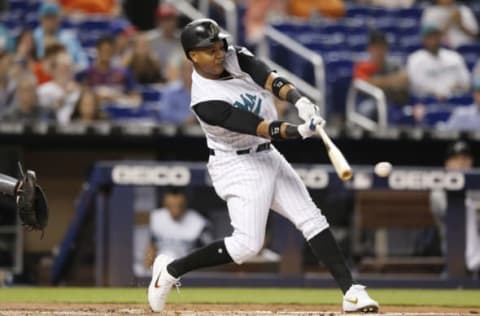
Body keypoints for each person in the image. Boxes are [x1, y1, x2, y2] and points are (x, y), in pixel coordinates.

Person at [147, 18, 379, 313]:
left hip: (267, 155)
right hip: (236, 165)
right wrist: (299, 130)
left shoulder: (233, 55)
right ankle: (170, 271)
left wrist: (300, 100)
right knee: (246, 245)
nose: (219, 52)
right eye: (210, 49)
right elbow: (259, 126)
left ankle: (351, 291)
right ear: (193, 55)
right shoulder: (205, 101)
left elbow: (269, 79)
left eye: (220, 45)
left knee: (312, 219)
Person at [429, 141, 480, 272]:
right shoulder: (439, 188)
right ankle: (473, 262)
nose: (461, 162)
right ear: (447, 163)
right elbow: (446, 213)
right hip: (454, 252)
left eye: (465, 158)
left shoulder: (477, 187)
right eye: (456, 159)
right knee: (466, 207)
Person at [145, 188, 213, 266]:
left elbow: (208, 256)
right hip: (160, 267)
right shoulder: (156, 218)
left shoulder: (199, 223)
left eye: (179, 206)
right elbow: (150, 248)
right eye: (171, 206)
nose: (175, 210)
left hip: (187, 269)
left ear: (185, 204)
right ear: (165, 204)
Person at [353, 30, 409, 118]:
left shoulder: (393, 64)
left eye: (382, 46)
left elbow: (404, 80)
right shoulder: (363, 66)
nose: (379, 51)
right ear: (370, 49)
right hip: (369, 100)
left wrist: (378, 81)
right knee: (367, 109)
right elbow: (363, 84)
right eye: (376, 47)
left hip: (391, 101)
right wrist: (391, 82)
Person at [406, 25, 470, 101]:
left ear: (440, 37)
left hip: (454, 99)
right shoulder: (415, 59)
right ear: (423, 39)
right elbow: (414, 84)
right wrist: (435, 92)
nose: (433, 40)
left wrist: (451, 89)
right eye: (430, 37)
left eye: (436, 36)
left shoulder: (454, 57)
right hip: (427, 100)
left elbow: (466, 82)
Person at [33, 2, 88, 70]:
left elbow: (84, 63)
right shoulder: (33, 36)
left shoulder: (68, 38)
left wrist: (72, 68)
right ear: (41, 19)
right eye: (47, 17)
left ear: (59, 19)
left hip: (64, 74)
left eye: (53, 17)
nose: (50, 21)